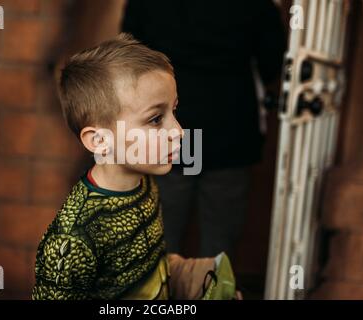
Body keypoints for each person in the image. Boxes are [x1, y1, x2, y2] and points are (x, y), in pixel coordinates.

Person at [32, 34, 237, 300]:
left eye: (174, 111)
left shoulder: (144, 183)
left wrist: (199, 279)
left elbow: (149, 264)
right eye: (155, 119)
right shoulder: (73, 240)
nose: (179, 132)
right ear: (100, 140)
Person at [122, 0, 287, 258]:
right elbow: (272, 62)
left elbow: (129, 54)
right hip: (229, 127)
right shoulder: (258, 5)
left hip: (172, 125)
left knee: (159, 238)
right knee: (220, 245)